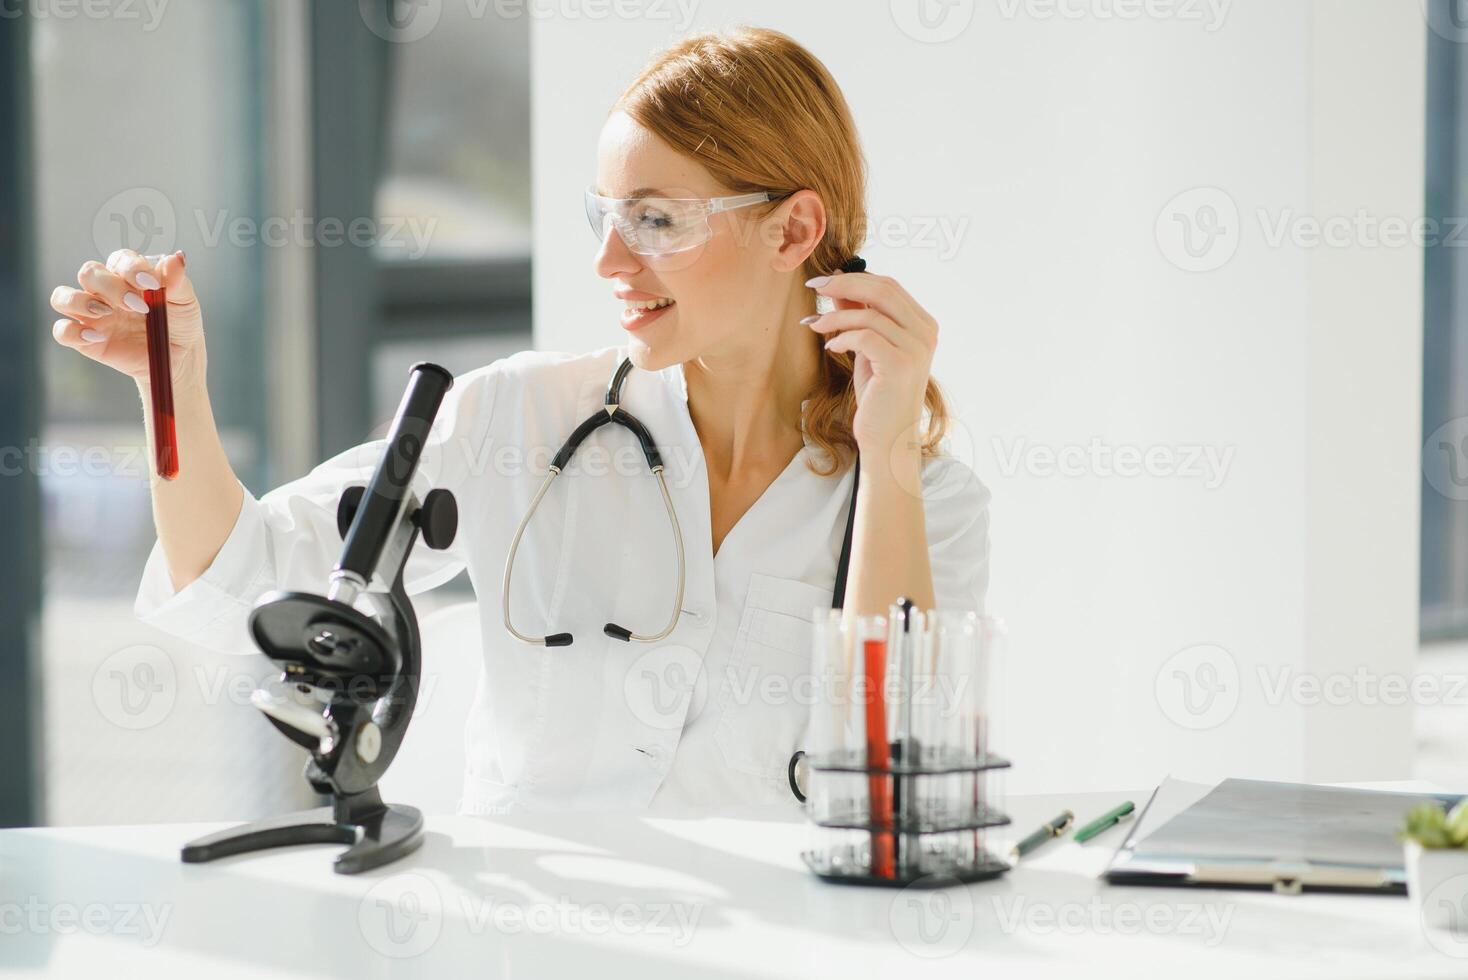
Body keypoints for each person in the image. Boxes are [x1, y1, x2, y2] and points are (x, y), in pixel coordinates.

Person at [46, 27, 989, 813]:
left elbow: (898, 772)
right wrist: (173, 388)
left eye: (659, 221)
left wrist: (888, 449)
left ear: (791, 231)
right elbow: (237, 572)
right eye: (606, 217)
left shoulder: (924, 496)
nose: (610, 261)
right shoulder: (517, 418)